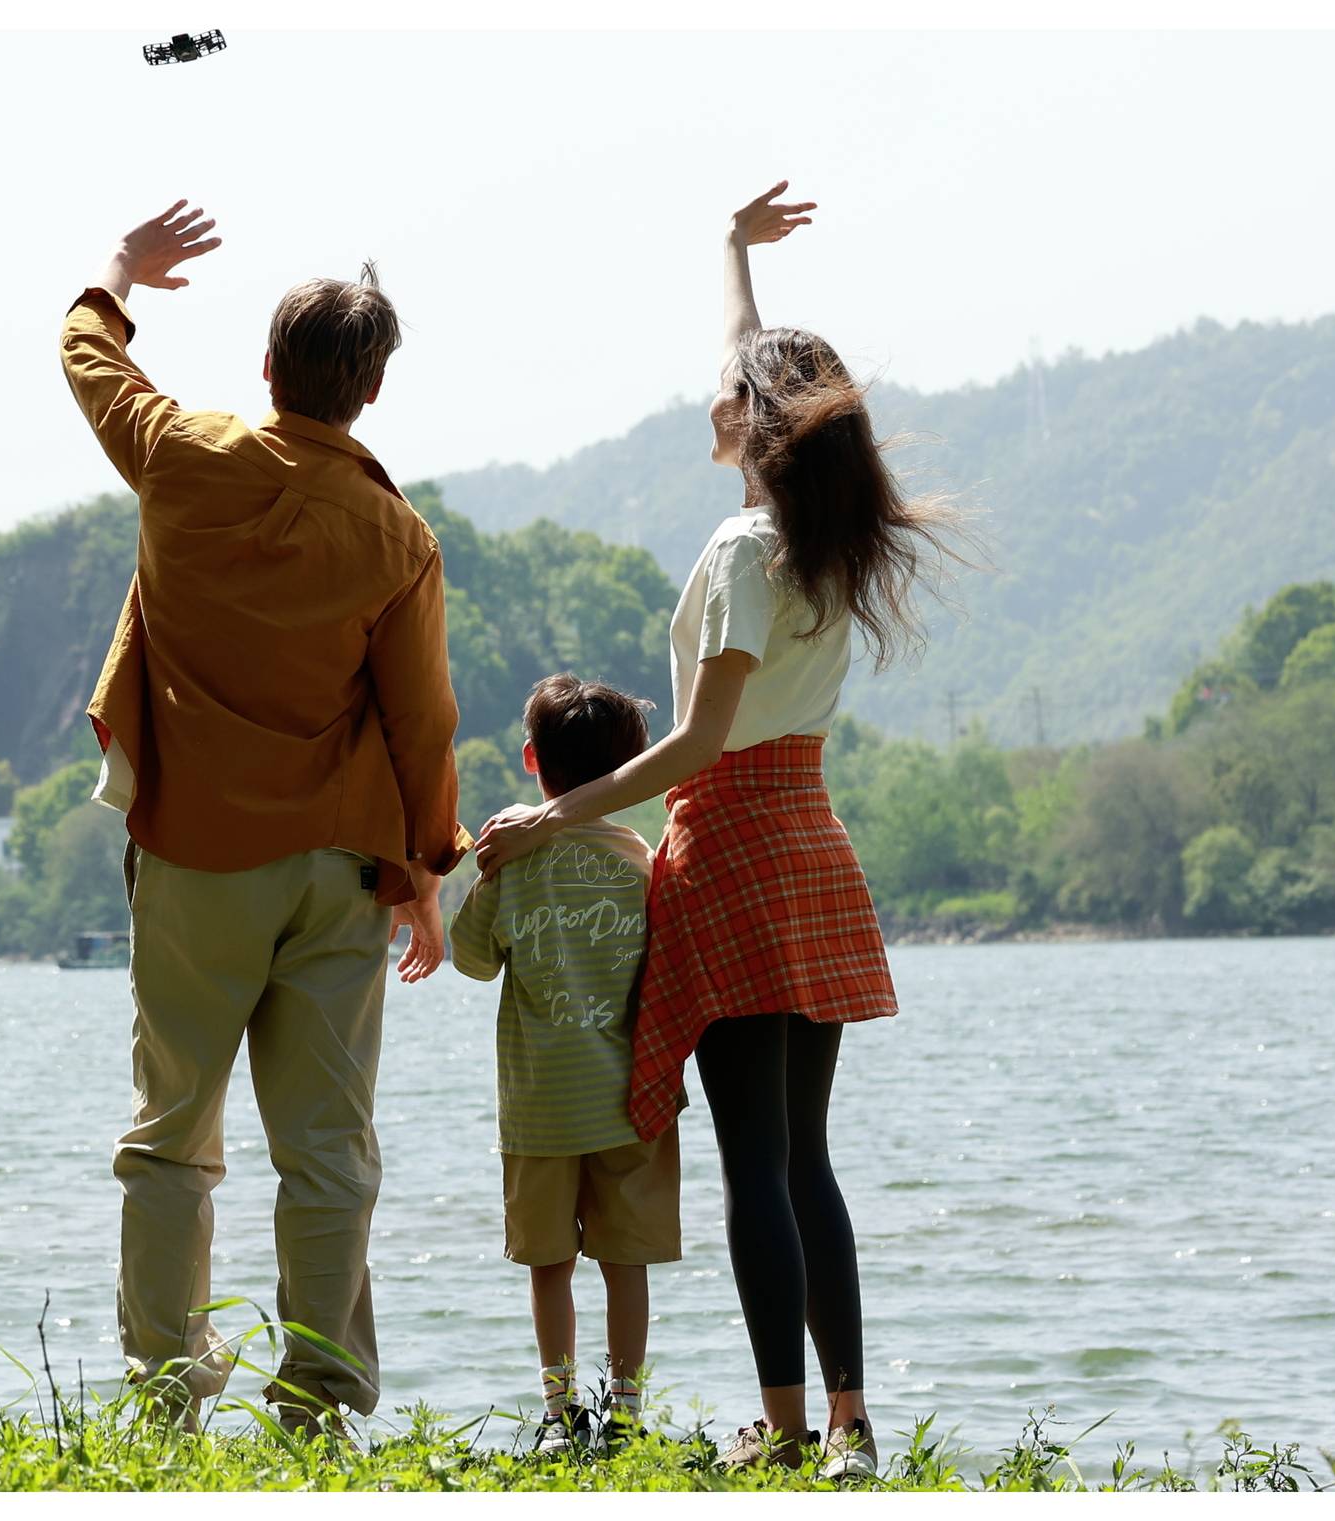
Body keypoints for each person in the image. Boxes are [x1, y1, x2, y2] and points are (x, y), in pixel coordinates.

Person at [473, 181, 963, 1481]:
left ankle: (791, 1430)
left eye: (734, 393)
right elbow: (754, 369)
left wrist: (547, 817)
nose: (713, 395)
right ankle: (849, 1428)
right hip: (814, 842)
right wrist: (733, 252)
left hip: (740, 849)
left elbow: (692, 746)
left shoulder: (748, 551)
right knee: (807, 1160)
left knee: (758, 1165)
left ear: (752, 428)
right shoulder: (824, 542)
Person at [60, 201, 470, 1437]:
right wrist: (426, 877)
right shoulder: (398, 537)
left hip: (195, 861)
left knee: (172, 1138)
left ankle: (164, 1398)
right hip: (341, 872)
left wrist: (120, 273)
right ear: (373, 393)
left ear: (266, 369)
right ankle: (318, 1406)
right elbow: (423, 726)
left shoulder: (183, 455)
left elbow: (90, 360)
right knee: (328, 1153)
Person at [449, 675, 679, 1456]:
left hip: (541, 1106)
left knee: (549, 1262)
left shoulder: (513, 860)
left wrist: (487, 877)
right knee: (627, 1259)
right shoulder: (643, 862)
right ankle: (626, 1411)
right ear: (630, 769)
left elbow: (472, 959)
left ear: (530, 761)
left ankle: (557, 1411)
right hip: (630, 1100)